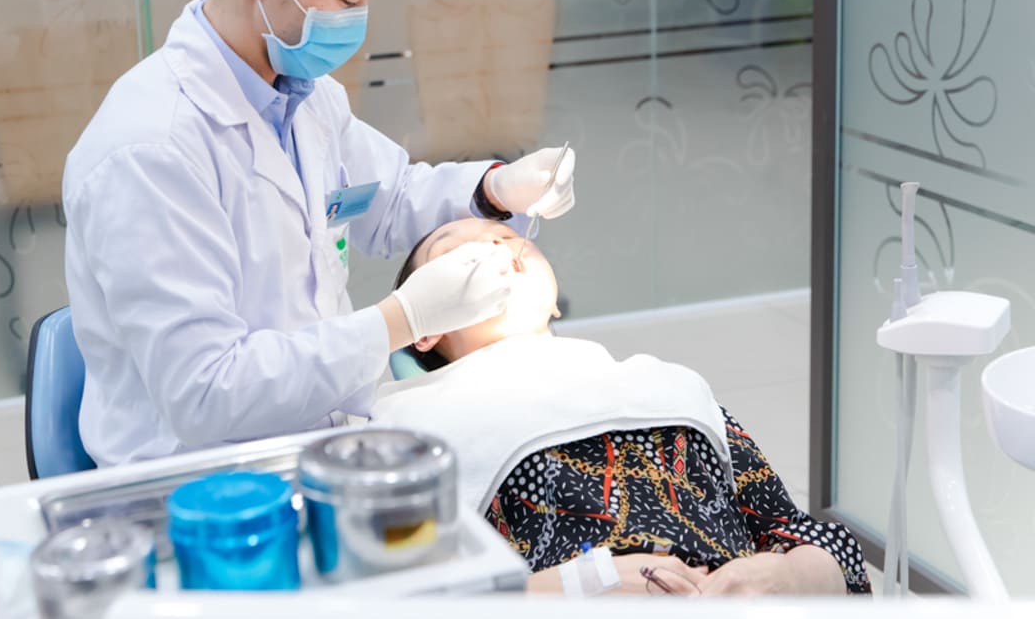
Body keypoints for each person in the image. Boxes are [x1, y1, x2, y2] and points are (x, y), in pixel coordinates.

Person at [62, 0, 577, 467]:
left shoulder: (305, 97)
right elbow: (207, 393)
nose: (360, 21)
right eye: (349, 0)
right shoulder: (149, 152)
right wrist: (399, 321)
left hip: (325, 443)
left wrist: (497, 187)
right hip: (208, 484)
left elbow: (387, 200)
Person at [371, 218, 872, 597]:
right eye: (455, 251)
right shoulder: (413, 429)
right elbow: (402, 595)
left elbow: (811, 538)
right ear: (422, 328)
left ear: (554, 304)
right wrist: (578, 586)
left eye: (505, 235)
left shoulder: (668, 385)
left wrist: (786, 576)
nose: (495, 245)